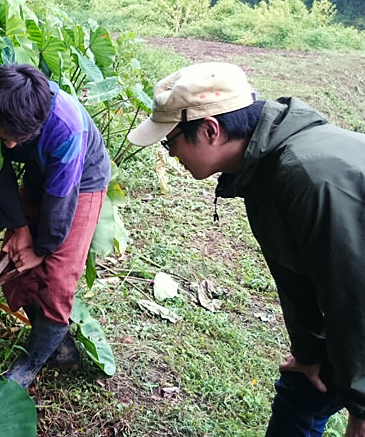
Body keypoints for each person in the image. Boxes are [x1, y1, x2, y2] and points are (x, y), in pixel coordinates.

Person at [127, 61, 365, 436]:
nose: (171, 156)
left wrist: (361, 408)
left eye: (170, 142)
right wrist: (309, 352)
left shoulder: (305, 175)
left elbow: (352, 294)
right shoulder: (258, 170)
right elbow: (295, 273)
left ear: (209, 130)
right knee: (301, 391)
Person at [0, 63, 111, 389]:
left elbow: (60, 202)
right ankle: (59, 344)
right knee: (15, 258)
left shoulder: (67, 129)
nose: (9, 146)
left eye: (17, 139)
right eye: (3, 136)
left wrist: (43, 249)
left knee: (57, 276)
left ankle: (32, 363)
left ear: (37, 124)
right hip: (41, 173)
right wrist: (20, 229)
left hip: (81, 181)